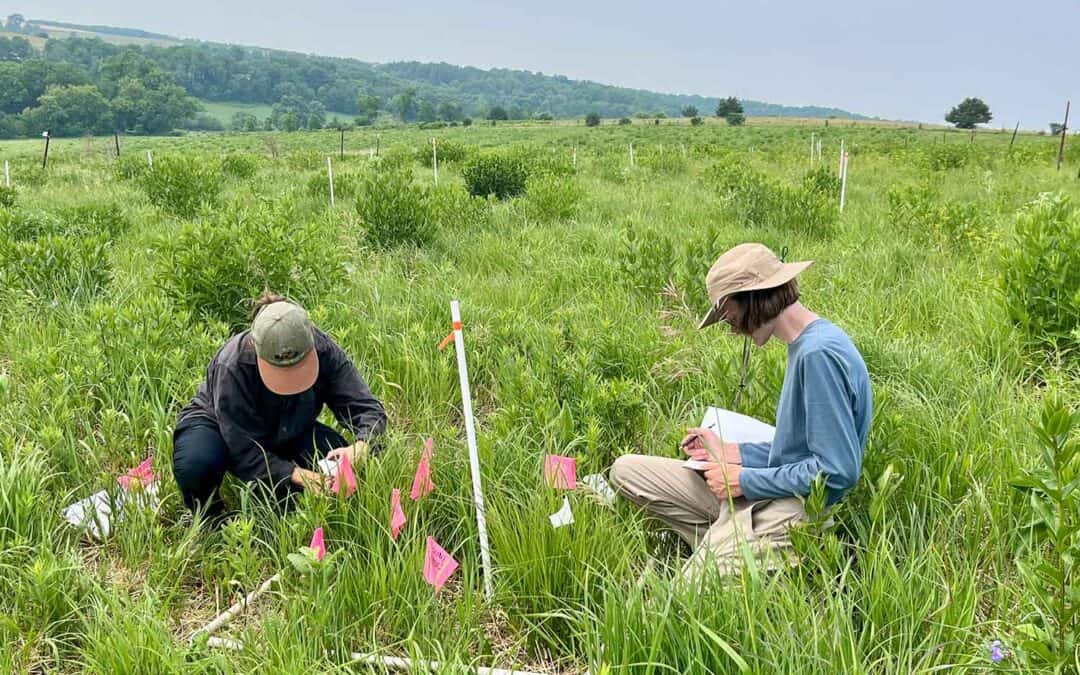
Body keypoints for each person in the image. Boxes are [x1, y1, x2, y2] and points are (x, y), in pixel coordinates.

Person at [610, 243, 872, 580]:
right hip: (768, 490)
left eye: (728, 312)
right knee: (626, 471)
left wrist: (743, 480)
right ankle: (728, 545)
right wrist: (731, 452)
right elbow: (800, 450)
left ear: (753, 297)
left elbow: (837, 471)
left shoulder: (817, 355)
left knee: (677, 603)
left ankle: (735, 554)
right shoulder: (805, 345)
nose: (731, 326)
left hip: (794, 509)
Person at [172, 293, 387, 521]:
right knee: (197, 463)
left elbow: (367, 408)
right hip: (221, 428)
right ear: (255, 346)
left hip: (289, 428)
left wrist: (362, 446)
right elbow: (241, 447)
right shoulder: (232, 365)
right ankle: (210, 519)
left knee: (340, 461)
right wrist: (294, 474)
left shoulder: (325, 350)